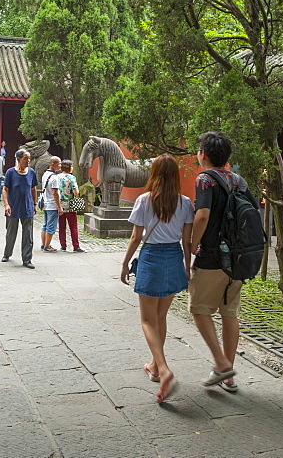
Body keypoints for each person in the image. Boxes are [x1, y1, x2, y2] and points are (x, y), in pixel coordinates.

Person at [119, 155, 194, 404]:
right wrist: (187, 267)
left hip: (151, 256)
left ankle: (163, 370)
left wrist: (125, 263)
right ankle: (153, 364)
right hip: (173, 257)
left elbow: (135, 237)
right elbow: (187, 241)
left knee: (147, 320)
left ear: (153, 174)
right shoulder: (185, 203)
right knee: (161, 317)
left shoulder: (143, 200)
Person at [188, 131, 245, 394]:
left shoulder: (205, 180)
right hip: (238, 257)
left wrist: (191, 246)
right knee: (229, 312)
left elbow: (202, 216)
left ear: (204, 154)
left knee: (199, 309)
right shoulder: (237, 179)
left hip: (211, 256)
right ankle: (229, 374)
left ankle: (222, 364)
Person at [2, 149, 38, 268]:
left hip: (27, 206)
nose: (28, 161)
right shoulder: (10, 172)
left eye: (29, 158)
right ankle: (7, 253)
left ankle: (27, 259)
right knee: (11, 232)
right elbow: (5, 189)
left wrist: (35, 204)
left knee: (28, 234)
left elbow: (33, 189)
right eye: (25, 158)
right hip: (13, 206)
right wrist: (6, 204)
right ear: (18, 159)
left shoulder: (31, 172)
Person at [57, 160, 83, 252]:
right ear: (69, 167)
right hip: (70, 204)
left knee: (61, 226)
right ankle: (76, 246)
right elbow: (76, 192)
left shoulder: (57, 177)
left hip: (60, 204)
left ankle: (63, 245)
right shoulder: (71, 178)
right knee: (73, 226)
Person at [38, 156, 63, 253]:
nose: (60, 166)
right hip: (52, 204)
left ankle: (44, 243)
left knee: (45, 224)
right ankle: (47, 246)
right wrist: (59, 206)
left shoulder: (45, 174)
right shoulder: (54, 178)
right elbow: (55, 193)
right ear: (53, 164)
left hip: (45, 203)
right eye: (59, 164)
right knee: (51, 226)